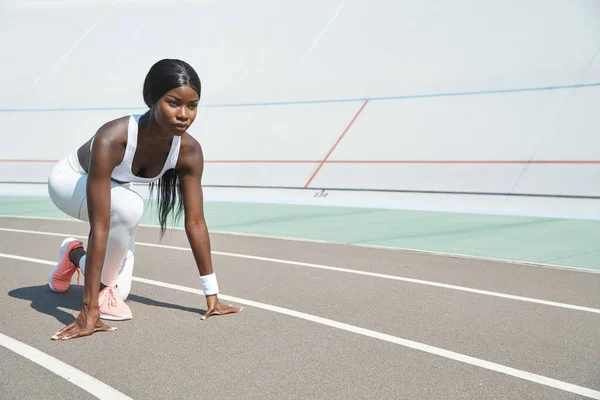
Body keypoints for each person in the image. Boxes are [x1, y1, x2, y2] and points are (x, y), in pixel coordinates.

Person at [47, 59, 243, 340]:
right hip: (70, 183)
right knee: (130, 207)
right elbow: (101, 225)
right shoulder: (113, 137)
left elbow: (196, 223)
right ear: (151, 99)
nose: (184, 114)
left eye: (193, 105)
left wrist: (211, 295)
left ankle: (73, 254)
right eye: (173, 103)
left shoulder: (189, 151)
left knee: (118, 290)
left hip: (117, 199)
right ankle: (94, 294)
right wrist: (88, 311)